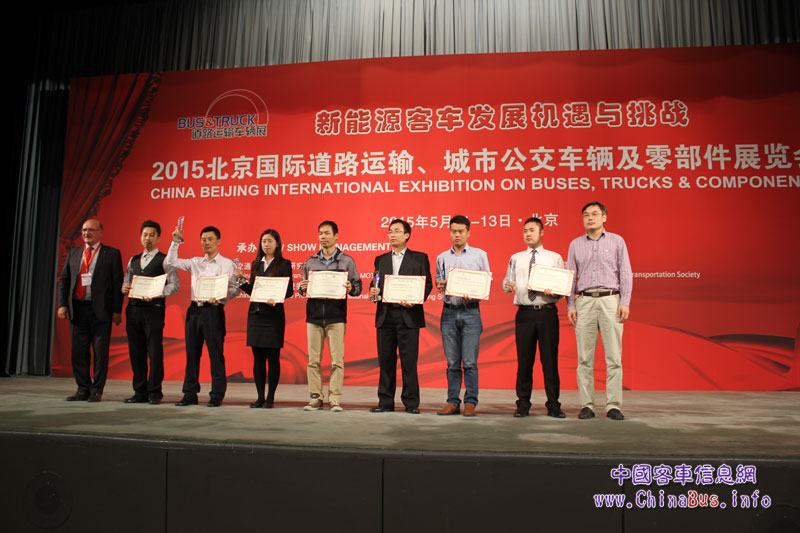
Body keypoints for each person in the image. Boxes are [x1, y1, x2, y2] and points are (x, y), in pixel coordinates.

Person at [566, 202, 632, 421]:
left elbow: (625, 272)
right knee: (584, 358)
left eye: (595, 214)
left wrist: (625, 302)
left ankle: (613, 405)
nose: (590, 218)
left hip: (610, 300)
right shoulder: (575, 244)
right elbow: (571, 276)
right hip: (584, 301)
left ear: (604, 217)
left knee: (614, 357)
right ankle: (587, 405)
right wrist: (571, 305)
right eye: (586, 215)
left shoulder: (617, 241)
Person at [165, 225, 239, 407]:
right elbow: (170, 262)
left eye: (210, 239)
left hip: (214, 311)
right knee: (192, 354)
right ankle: (189, 394)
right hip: (194, 311)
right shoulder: (195, 262)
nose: (206, 243)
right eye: (203, 239)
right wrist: (175, 241)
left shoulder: (227, 264)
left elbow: (235, 288)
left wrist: (222, 297)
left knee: (216, 354)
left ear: (218, 241)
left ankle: (217, 395)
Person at [502, 217, 566, 418]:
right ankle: (523, 404)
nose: (528, 234)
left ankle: (554, 405)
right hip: (524, 314)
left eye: (532, 230)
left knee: (550, 361)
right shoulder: (516, 258)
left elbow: (562, 286)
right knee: (524, 361)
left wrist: (555, 291)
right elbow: (508, 281)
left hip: (547, 312)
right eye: (525, 231)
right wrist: (507, 286)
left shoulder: (554, 258)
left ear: (542, 232)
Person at [368, 219, 433, 414]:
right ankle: (385, 402)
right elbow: (376, 282)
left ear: (407, 235)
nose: (392, 235)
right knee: (385, 362)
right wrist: (373, 291)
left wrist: (415, 299)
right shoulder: (381, 259)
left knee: (409, 362)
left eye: (397, 231)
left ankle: (411, 404)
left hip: (409, 315)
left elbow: (427, 285)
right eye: (390, 231)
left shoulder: (419, 258)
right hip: (386, 315)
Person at [57, 218, 124, 402]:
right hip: (78, 309)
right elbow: (64, 280)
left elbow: (117, 283)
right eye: (84, 230)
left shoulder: (111, 254)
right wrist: (62, 304)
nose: (87, 233)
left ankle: (96, 390)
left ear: (100, 232)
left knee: (100, 353)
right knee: (78, 352)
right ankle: (82, 389)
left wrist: (117, 311)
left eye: (91, 230)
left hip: (101, 311)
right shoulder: (74, 253)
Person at [298, 221, 361, 412]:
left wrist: (351, 288)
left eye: (326, 233)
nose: (323, 237)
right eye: (320, 233)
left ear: (336, 236)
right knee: (313, 361)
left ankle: (335, 399)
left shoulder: (346, 261)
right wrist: (302, 288)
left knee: (337, 362)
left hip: (336, 318)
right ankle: (315, 398)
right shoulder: (310, 262)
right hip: (314, 317)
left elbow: (357, 287)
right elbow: (304, 288)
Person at [434, 215, 490, 417]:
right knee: (452, 363)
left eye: (460, 231)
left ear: (468, 232)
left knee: (470, 362)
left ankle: (470, 402)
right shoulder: (442, 257)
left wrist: (474, 292)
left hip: (471, 311)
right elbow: (438, 281)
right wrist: (440, 285)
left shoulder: (480, 255)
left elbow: (485, 282)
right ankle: (452, 402)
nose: (456, 234)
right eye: (453, 231)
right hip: (449, 311)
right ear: (449, 232)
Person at [121, 220, 179, 405]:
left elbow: (175, 284)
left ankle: (154, 392)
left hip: (153, 310)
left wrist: (157, 293)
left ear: (158, 238)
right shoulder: (133, 260)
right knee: (136, 352)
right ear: (140, 237)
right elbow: (126, 281)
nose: (148, 238)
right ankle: (139, 391)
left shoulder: (165, 260)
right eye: (145, 235)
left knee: (154, 352)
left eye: (152, 235)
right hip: (133, 309)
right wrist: (124, 287)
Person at [234, 229, 293, 408]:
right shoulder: (256, 264)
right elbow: (254, 290)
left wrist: (277, 298)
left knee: (273, 358)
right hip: (256, 315)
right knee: (258, 358)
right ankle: (260, 397)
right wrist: (241, 281)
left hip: (274, 317)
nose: (266, 244)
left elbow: (289, 290)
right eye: (263, 241)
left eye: (269, 241)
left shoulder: (284, 264)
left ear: (277, 243)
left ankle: (270, 398)